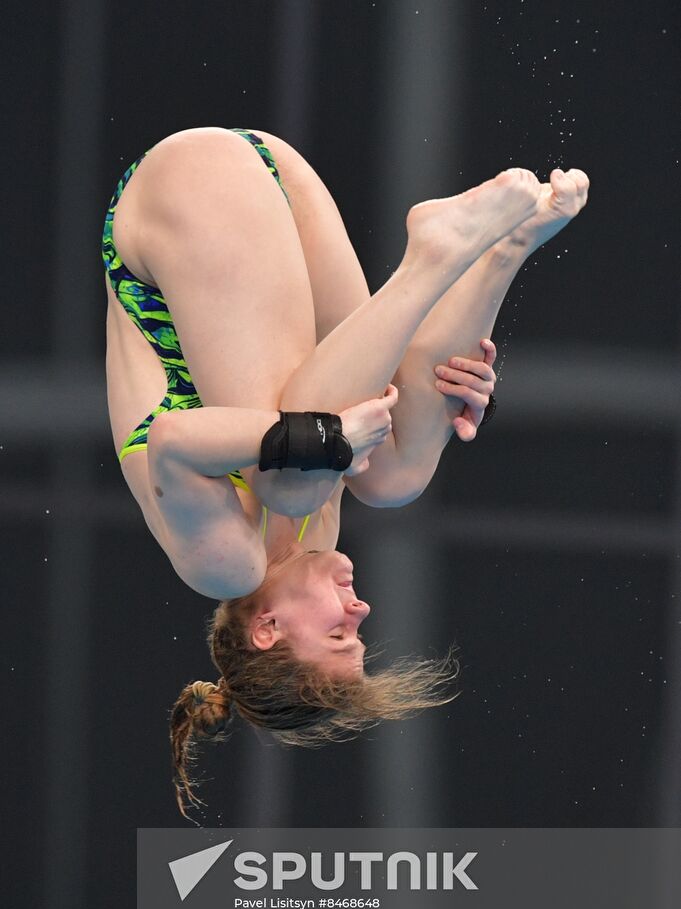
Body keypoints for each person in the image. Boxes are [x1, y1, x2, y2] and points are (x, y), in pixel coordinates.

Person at [103, 126, 589, 814]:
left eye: (337, 633)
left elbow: (176, 441)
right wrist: (456, 385)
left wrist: (324, 437)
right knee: (392, 481)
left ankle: (435, 255)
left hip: (188, 189)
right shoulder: (314, 535)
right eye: (357, 631)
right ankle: (499, 253)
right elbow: (382, 374)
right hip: (277, 179)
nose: (359, 610)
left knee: (295, 472)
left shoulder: (223, 564)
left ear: (264, 630)